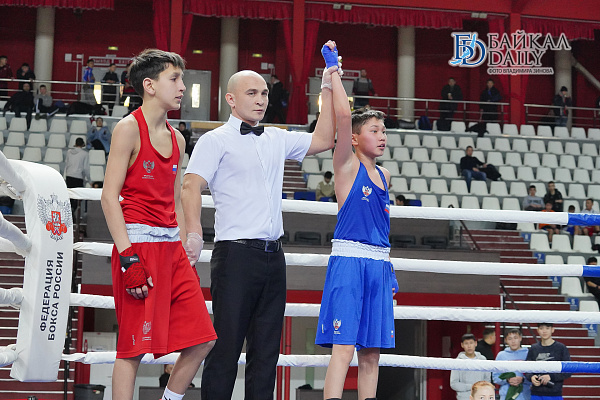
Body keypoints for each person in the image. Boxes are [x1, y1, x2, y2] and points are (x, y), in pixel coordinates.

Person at [181, 41, 337, 399]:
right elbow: (190, 186)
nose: (261, 99)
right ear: (231, 99)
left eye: (265, 93)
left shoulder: (276, 138)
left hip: (273, 256)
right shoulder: (214, 140)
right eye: (252, 93)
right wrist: (194, 233)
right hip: (235, 255)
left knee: (267, 352)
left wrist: (328, 85)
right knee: (226, 347)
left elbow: (325, 139)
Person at [100, 48, 216, 400]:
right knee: (132, 348)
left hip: (172, 250)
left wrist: (184, 244)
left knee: (203, 339)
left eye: (182, 78)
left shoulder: (178, 138)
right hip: (137, 247)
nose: (182, 86)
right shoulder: (127, 129)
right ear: (149, 85)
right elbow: (108, 197)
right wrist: (128, 258)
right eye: (175, 78)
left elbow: (176, 199)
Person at [314, 43, 397, 400]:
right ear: (355, 139)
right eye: (374, 130)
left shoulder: (386, 176)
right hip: (349, 261)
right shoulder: (347, 167)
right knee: (344, 348)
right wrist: (333, 71)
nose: (382, 136)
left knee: (371, 354)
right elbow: (344, 118)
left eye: (384, 131)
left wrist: (389, 268)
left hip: (379, 264)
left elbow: (383, 228)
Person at [524, 323, 571, 400]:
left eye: (547, 328)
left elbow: (568, 371)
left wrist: (551, 377)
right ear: (537, 330)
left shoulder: (561, 348)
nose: (544, 331)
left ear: (552, 329)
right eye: (541, 328)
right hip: (536, 393)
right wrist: (531, 377)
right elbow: (527, 369)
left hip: (555, 394)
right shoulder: (533, 348)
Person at [493, 328, 532, 400]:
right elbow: (495, 377)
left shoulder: (528, 354)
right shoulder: (501, 355)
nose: (513, 341)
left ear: (520, 338)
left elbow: (534, 376)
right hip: (505, 396)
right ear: (506, 340)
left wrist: (523, 380)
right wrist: (507, 380)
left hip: (525, 396)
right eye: (510, 339)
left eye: (515, 338)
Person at [450, 333, 490, 400]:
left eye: (471, 343)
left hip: (481, 397)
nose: (469, 346)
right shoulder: (457, 362)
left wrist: (480, 388)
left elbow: (487, 379)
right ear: (462, 345)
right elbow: (454, 384)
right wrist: (472, 387)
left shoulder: (483, 359)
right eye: (466, 343)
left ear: (475, 343)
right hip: (464, 398)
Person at [64, 137, 90, 212]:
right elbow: (85, 168)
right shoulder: (85, 154)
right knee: (77, 197)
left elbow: (67, 164)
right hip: (78, 177)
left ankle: (70, 211)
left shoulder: (69, 152)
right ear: (83, 144)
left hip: (69, 175)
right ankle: (74, 211)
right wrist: (89, 179)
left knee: (70, 195)